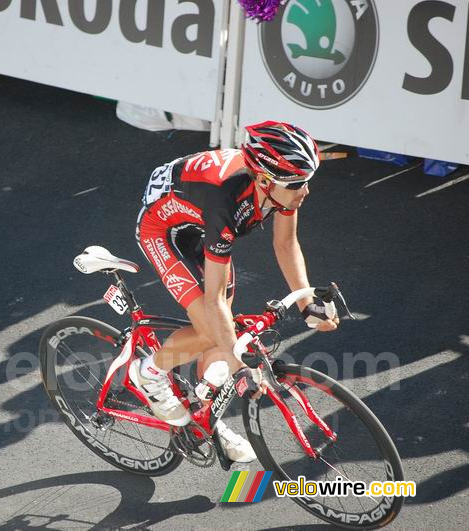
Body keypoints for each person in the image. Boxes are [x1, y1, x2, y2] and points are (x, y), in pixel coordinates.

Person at [131, 121, 339, 462]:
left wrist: (307, 304)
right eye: (298, 183)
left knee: (226, 336)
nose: (306, 192)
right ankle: (149, 372)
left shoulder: (277, 183)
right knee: (212, 331)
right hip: (162, 229)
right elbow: (212, 301)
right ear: (262, 180)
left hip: (198, 220)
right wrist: (240, 365)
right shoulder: (227, 203)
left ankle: (203, 419)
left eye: (308, 180)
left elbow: (285, 243)